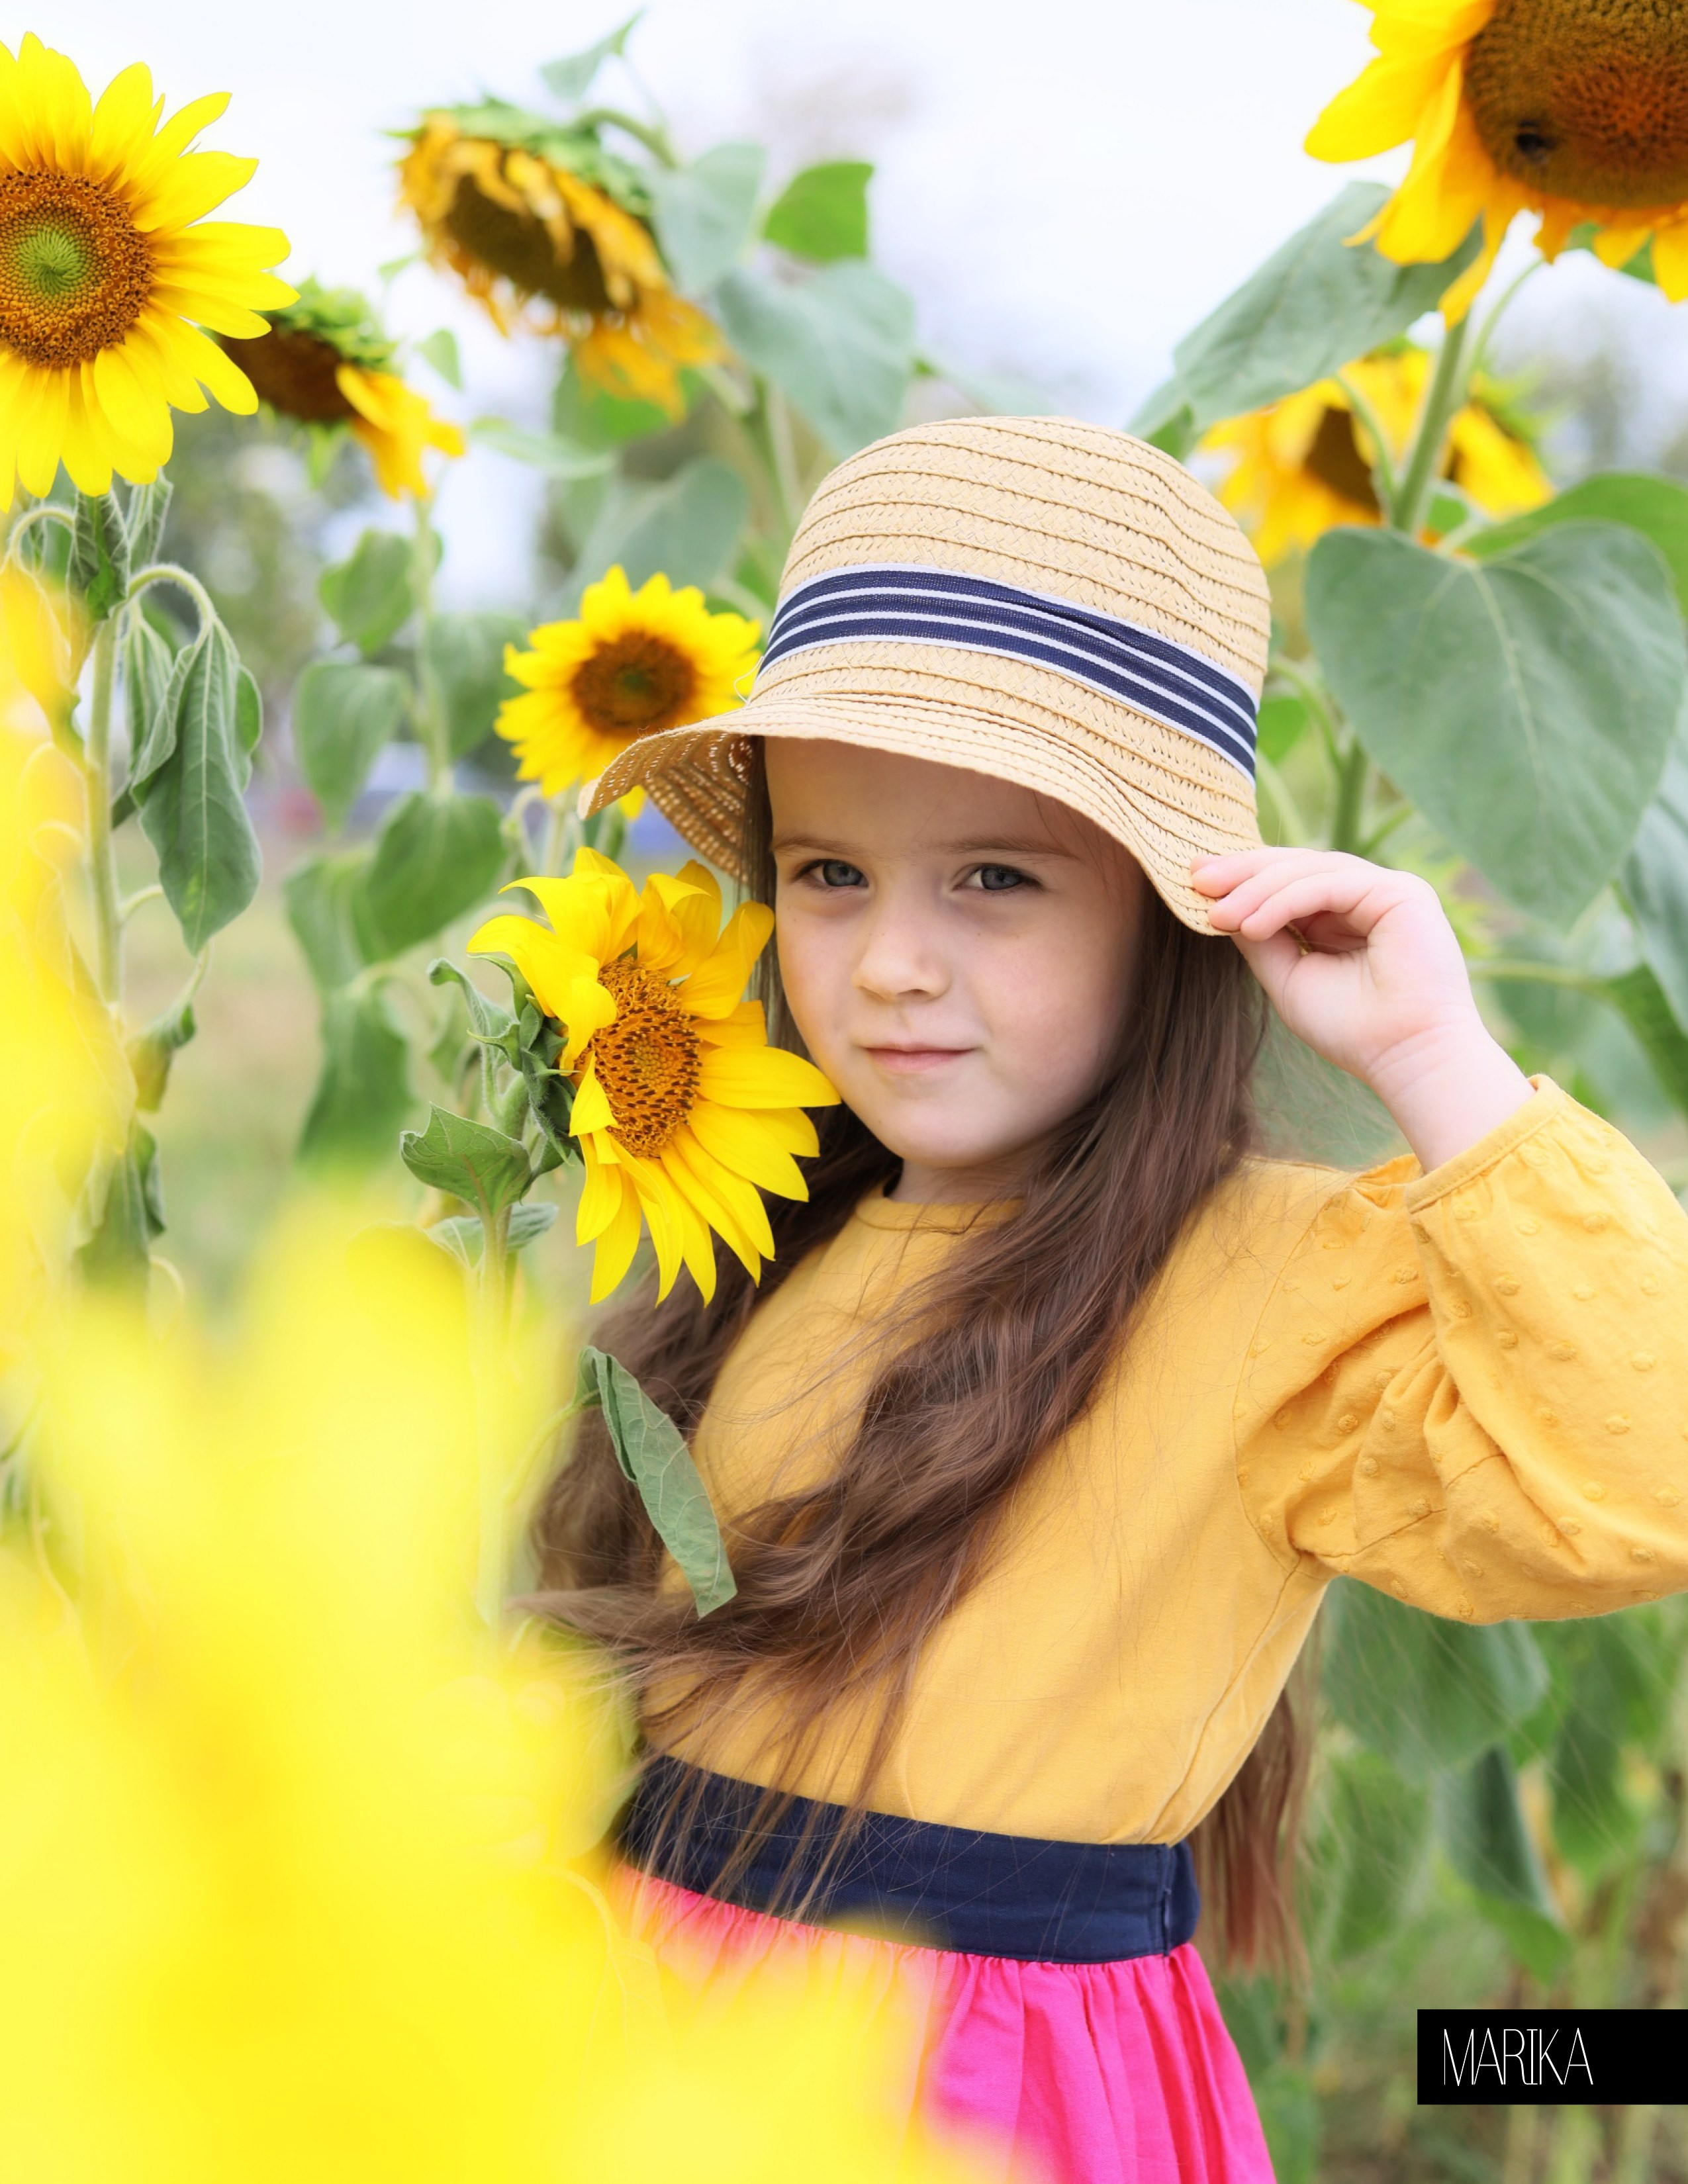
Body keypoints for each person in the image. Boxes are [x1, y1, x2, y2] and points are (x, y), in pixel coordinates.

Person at [531, 418, 1688, 2183]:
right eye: (832, 874)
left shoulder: (1271, 1284)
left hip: (985, 2097)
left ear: (1171, 914)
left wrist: (1438, 1061)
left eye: (994, 878)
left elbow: (1646, 1473)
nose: (891, 962)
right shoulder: (756, 1228)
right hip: (642, 2046)